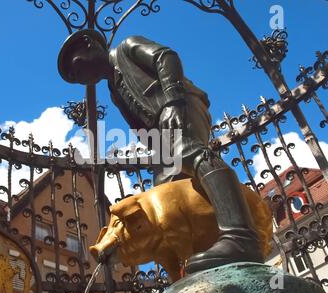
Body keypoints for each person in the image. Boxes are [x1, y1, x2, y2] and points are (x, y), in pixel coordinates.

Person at [57, 29, 264, 274]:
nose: (77, 76)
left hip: (179, 109)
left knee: (191, 153)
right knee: (167, 192)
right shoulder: (114, 89)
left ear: (90, 45)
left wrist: (173, 101)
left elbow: (165, 57)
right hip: (161, 134)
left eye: (76, 66)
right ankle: (198, 257)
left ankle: (240, 235)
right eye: (73, 78)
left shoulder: (126, 47)